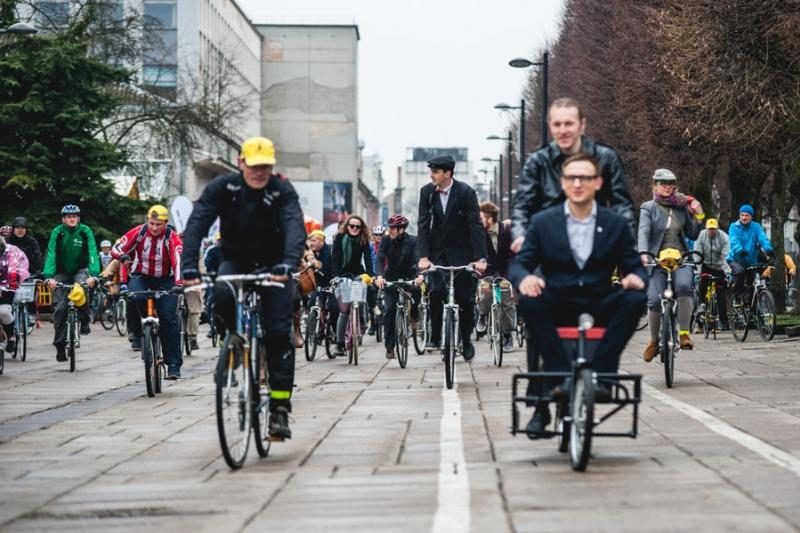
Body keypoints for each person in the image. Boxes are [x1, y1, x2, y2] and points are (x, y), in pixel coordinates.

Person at [508, 153, 647, 435]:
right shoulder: (543, 222)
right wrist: (525, 278)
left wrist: (635, 277)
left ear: (597, 182)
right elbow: (520, 263)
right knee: (530, 303)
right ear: (563, 183)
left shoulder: (615, 224)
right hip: (558, 299)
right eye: (572, 177)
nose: (578, 183)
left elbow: (633, 265)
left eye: (585, 177)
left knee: (635, 299)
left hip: (599, 300)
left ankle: (604, 376)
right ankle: (560, 378)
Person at [181, 136, 305, 440]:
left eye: (265, 167)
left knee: (278, 334)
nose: (259, 172)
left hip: (275, 266)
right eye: (254, 166)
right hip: (235, 259)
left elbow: (294, 226)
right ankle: (230, 340)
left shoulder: (282, 189)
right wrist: (188, 265)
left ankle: (279, 408)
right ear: (241, 163)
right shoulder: (223, 188)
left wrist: (289, 263)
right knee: (221, 292)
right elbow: (197, 223)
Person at [510, 97, 635, 253]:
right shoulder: (537, 162)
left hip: (592, 247)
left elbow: (622, 205)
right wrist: (520, 236)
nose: (563, 131)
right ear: (550, 126)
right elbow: (522, 206)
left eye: (568, 123)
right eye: (557, 124)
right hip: (547, 249)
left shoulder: (606, 158)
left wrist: (629, 245)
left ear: (582, 125)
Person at [416, 155, 487, 361]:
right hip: (437, 252)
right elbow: (423, 224)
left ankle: (465, 339)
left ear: (448, 173)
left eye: (436, 171)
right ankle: (436, 335)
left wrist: (480, 258)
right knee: (436, 291)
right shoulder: (427, 192)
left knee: (464, 298)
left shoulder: (465, 192)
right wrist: (423, 256)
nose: (432, 175)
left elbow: (475, 225)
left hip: (462, 252)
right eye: (432, 171)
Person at [638, 169, 704, 360]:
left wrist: (698, 216)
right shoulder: (648, 207)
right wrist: (643, 253)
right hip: (657, 260)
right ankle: (653, 341)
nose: (666, 187)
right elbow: (643, 232)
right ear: (655, 185)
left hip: (680, 259)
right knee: (654, 300)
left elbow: (692, 234)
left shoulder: (683, 207)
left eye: (670, 184)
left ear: (674, 186)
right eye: (662, 183)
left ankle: (684, 334)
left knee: (684, 288)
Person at [111, 205, 184, 377]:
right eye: (152, 223)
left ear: (166, 223)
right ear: (147, 221)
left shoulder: (172, 238)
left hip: (166, 280)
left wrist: (179, 284)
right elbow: (117, 247)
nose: (154, 227)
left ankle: (173, 364)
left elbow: (178, 261)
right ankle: (138, 335)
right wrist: (121, 256)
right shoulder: (139, 232)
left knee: (168, 318)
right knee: (134, 297)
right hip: (141, 275)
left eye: (159, 224)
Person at [43, 205, 100, 362]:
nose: (72, 218)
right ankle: (60, 345)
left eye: (74, 216)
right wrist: (49, 276)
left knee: (81, 288)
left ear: (78, 218)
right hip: (61, 271)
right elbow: (51, 253)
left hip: (80, 268)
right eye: (68, 216)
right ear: (63, 219)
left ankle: (84, 319)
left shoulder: (85, 231)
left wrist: (94, 275)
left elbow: (93, 252)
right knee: (60, 307)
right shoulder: (58, 232)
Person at [375, 214, 421, 359]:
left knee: (417, 293)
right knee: (389, 310)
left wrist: (420, 276)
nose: (391, 231)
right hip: (391, 277)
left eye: (394, 228)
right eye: (390, 228)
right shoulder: (386, 240)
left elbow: (418, 258)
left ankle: (414, 317)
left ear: (402, 229)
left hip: (410, 275)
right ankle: (390, 347)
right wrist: (379, 276)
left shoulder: (413, 240)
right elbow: (380, 258)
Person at [331, 214, 374, 356]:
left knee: (361, 293)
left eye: (358, 226)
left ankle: (361, 320)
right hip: (341, 275)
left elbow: (368, 258)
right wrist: (336, 276)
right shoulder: (339, 238)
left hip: (357, 273)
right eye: (352, 226)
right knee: (344, 310)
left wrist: (371, 276)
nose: (355, 228)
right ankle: (339, 344)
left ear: (361, 228)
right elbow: (335, 259)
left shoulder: (363, 240)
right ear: (347, 227)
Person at [475, 201, 515, 350]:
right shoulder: (479, 234)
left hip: (505, 272)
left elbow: (513, 255)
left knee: (506, 300)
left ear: (490, 219)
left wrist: (511, 274)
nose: (478, 221)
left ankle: (507, 335)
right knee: (484, 291)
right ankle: (483, 315)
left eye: (481, 218)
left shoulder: (507, 231)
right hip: (487, 272)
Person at [727, 204, 774, 298]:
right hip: (736, 259)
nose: (744, 218)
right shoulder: (733, 227)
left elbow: (762, 238)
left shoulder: (756, 227)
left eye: (747, 215)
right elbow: (734, 240)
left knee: (753, 283)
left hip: (750, 261)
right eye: (742, 215)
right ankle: (737, 296)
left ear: (751, 217)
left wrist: (768, 250)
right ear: (739, 216)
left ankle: (753, 307)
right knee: (740, 272)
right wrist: (739, 250)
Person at [693, 218, 731, 330]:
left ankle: (724, 321)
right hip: (705, 265)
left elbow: (725, 256)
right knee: (702, 285)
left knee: (720, 293)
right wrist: (697, 272)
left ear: (717, 228)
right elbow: (697, 254)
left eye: (714, 229)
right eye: (710, 229)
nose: (712, 231)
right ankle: (702, 306)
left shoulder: (724, 237)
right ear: (706, 228)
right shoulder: (701, 236)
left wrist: (727, 272)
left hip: (719, 266)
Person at [0, 237, 31, 354]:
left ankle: (10, 336)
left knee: (3, 312)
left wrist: (13, 279)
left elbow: (14, 267)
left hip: (7, 285)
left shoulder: (11, 251)